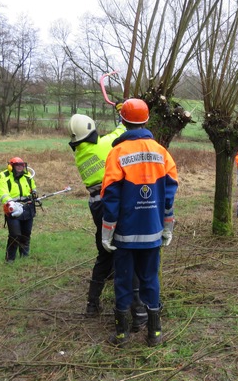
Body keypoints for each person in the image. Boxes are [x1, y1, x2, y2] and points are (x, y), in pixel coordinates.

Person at [101, 98, 179, 347]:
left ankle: (122, 335)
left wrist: (107, 230)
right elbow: (169, 195)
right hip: (152, 232)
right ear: (146, 121)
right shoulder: (161, 152)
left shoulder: (117, 152)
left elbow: (111, 195)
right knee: (150, 279)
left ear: (122, 121)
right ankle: (154, 333)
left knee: (124, 281)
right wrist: (167, 227)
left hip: (125, 234)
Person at [68, 113, 147, 327]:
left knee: (104, 254)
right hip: (109, 202)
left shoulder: (81, 152)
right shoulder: (101, 145)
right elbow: (121, 132)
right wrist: (123, 116)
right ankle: (138, 308)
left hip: (96, 204)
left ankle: (92, 304)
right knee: (125, 249)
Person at [0, 157, 38, 263]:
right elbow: (3, 193)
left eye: (22, 165)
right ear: (11, 166)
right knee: (15, 235)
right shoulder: (5, 177)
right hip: (13, 209)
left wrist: (34, 196)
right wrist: (11, 203)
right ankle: (10, 258)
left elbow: (33, 188)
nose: (20, 167)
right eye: (17, 165)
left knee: (26, 233)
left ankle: (24, 256)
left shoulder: (28, 176)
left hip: (27, 207)